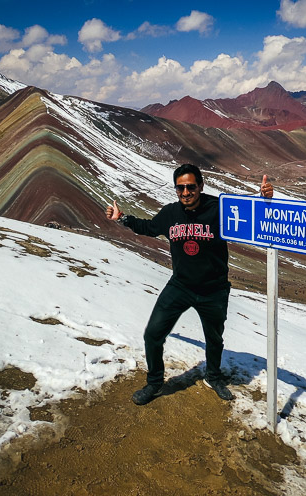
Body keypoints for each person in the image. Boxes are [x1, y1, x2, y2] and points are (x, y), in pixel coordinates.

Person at [106, 163, 273, 405]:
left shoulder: (218, 208)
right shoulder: (170, 214)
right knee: (153, 334)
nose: (186, 192)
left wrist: (265, 199)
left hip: (214, 289)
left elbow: (251, 216)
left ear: (201, 186)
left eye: (190, 187)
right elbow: (149, 227)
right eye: (180, 188)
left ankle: (213, 377)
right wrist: (121, 218)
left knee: (214, 339)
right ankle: (154, 383)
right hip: (181, 286)